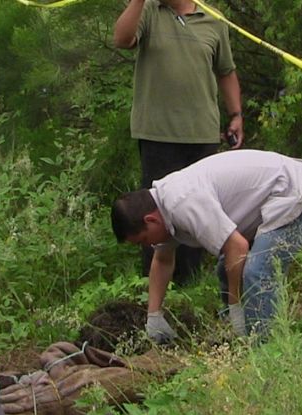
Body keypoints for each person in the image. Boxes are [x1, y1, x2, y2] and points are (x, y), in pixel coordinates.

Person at [110, 150, 302, 342]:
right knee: (226, 269)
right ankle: (237, 333)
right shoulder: (161, 207)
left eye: (143, 240)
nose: (148, 245)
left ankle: (264, 348)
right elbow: (163, 260)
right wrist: (154, 315)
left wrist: (235, 306)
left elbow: (238, 247)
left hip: (297, 193)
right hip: (269, 198)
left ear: (150, 220)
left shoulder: (182, 203)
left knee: (256, 272)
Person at [113, 0, 245, 285]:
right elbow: (122, 39)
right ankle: (154, 288)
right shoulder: (149, 11)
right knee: (153, 215)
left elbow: (225, 71)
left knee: (199, 212)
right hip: (158, 135)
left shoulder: (213, 19)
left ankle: (189, 284)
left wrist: (236, 114)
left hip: (202, 135)